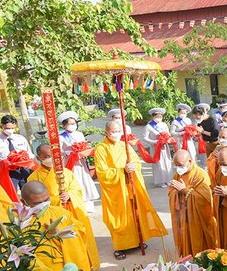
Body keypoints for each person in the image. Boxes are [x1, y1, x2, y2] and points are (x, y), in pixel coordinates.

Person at [93, 120, 167, 261]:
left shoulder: (124, 145)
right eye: (113, 132)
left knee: (134, 214)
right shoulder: (101, 149)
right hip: (115, 190)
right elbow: (102, 173)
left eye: (118, 131)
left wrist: (133, 167)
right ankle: (120, 247)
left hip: (130, 186)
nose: (116, 134)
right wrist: (122, 171)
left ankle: (137, 241)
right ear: (106, 133)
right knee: (119, 219)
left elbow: (136, 161)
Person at [27, 144, 100, 271]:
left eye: (53, 156)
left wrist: (70, 194)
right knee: (62, 243)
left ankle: (87, 264)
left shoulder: (65, 172)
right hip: (53, 216)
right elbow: (36, 201)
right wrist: (57, 199)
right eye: (46, 156)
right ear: (39, 157)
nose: (50, 159)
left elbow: (77, 189)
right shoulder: (33, 178)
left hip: (71, 210)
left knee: (78, 237)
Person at [18, 181, 92, 271]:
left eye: (46, 200)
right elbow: (27, 259)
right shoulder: (22, 224)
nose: (44, 205)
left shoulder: (61, 212)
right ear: (24, 202)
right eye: (38, 203)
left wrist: (60, 234)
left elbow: (81, 232)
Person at [168, 149, 217, 258]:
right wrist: (175, 192)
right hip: (183, 216)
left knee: (198, 243)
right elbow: (171, 192)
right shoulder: (177, 175)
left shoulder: (200, 175)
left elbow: (206, 199)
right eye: (176, 166)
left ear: (190, 161)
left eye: (180, 165)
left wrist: (185, 190)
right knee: (185, 240)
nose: (178, 169)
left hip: (197, 219)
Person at [0, 115, 34, 195]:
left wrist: (25, 160)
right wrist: (4, 162)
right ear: (1, 126)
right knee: (10, 195)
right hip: (8, 171)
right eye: (7, 128)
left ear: (15, 126)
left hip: (23, 169)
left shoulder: (21, 138)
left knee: (29, 193)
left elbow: (30, 154)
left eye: (12, 128)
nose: (10, 130)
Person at [143, 107, 174, 188]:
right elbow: (145, 138)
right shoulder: (149, 126)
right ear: (153, 117)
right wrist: (154, 142)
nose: (158, 119)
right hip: (155, 147)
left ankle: (168, 179)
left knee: (167, 162)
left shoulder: (164, 124)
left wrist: (167, 138)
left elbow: (168, 133)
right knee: (159, 163)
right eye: (156, 117)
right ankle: (160, 181)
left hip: (164, 146)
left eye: (160, 117)